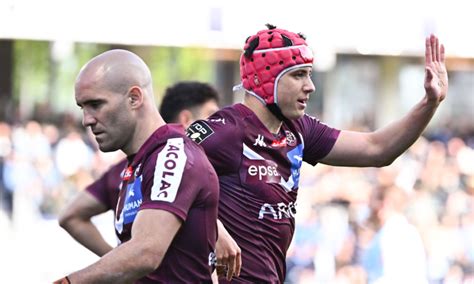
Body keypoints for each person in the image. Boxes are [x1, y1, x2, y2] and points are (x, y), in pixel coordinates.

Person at [185, 24, 448, 282]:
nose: (310, 86)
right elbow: (163, 165)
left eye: (309, 74)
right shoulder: (226, 130)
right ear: (266, 79)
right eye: (298, 75)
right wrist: (214, 230)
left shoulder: (300, 129)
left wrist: (429, 104)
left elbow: (376, 149)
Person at [54, 50, 219, 283]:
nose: (86, 120)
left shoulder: (171, 155)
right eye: (83, 107)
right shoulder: (137, 161)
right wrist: (121, 263)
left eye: (95, 104)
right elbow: (71, 216)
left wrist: (71, 282)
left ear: (134, 98)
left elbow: (145, 252)